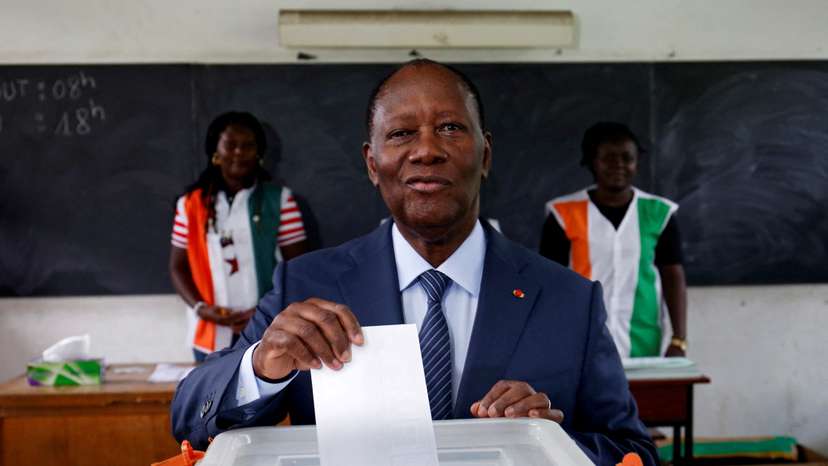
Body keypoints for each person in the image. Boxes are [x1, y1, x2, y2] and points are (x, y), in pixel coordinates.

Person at [171, 61, 657, 465]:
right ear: (371, 163)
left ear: (485, 154)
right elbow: (189, 416)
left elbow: (636, 451)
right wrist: (262, 366)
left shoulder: (568, 299)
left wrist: (551, 446)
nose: (427, 150)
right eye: (402, 133)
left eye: (449, 128)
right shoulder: (305, 282)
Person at [169, 111, 309, 362]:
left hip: (269, 329)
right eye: (230, 145)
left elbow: (298, 269)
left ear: (259, 153)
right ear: (215, 151)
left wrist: (265, 310)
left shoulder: (280, 200)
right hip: (210, 333)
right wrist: (202, 309)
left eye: (248, 146)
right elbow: (178, 267)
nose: (238, 153)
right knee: (214, 400)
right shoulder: (190, 205)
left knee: (264, 398)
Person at [540, 122, 688, 358]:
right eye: (608, 158)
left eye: (626, 157)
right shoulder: (563, 213)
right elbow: (547, 282)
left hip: (643, 341)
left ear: (636, 162)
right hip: (580, 340)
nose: (618, 164)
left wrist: (679, 339)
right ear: (592, 161)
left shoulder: (659, 213)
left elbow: (673, 275)